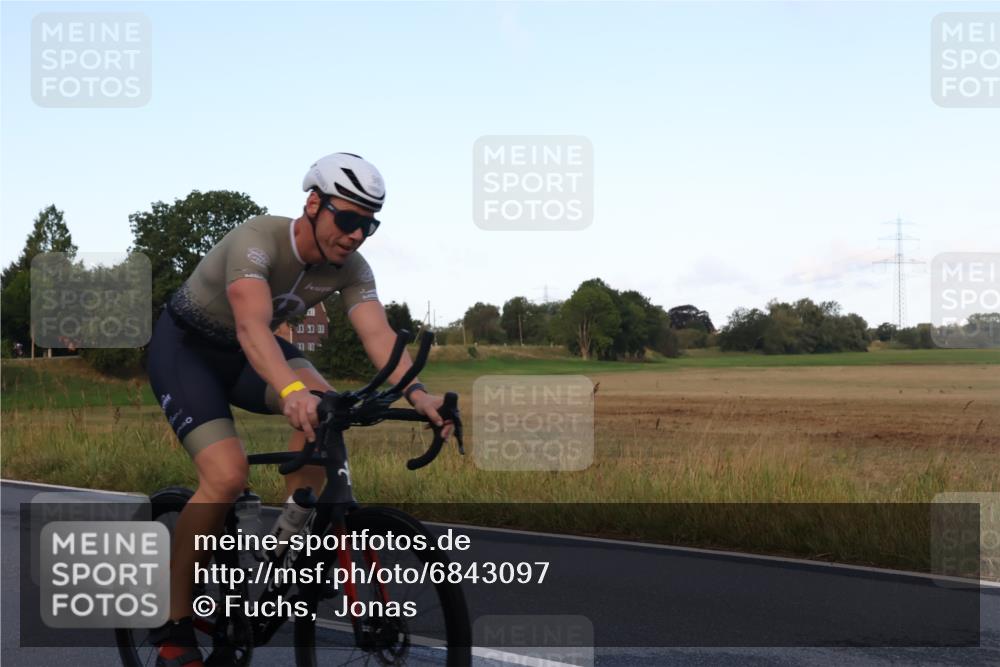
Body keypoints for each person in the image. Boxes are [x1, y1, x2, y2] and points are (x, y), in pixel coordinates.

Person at [145, 153, 452, 667]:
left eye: (369, 224)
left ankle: (290, 543)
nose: (357, 234)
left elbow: (378, 335)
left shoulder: (352, 269)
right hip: (188, 351)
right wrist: (290, 392)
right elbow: (251, 328)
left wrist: (420, 396)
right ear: (314, 204)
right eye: (348, 218)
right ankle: (173, 625)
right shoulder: (257, 241)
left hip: (249, 355)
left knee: (328, 407)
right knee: (225, 476)